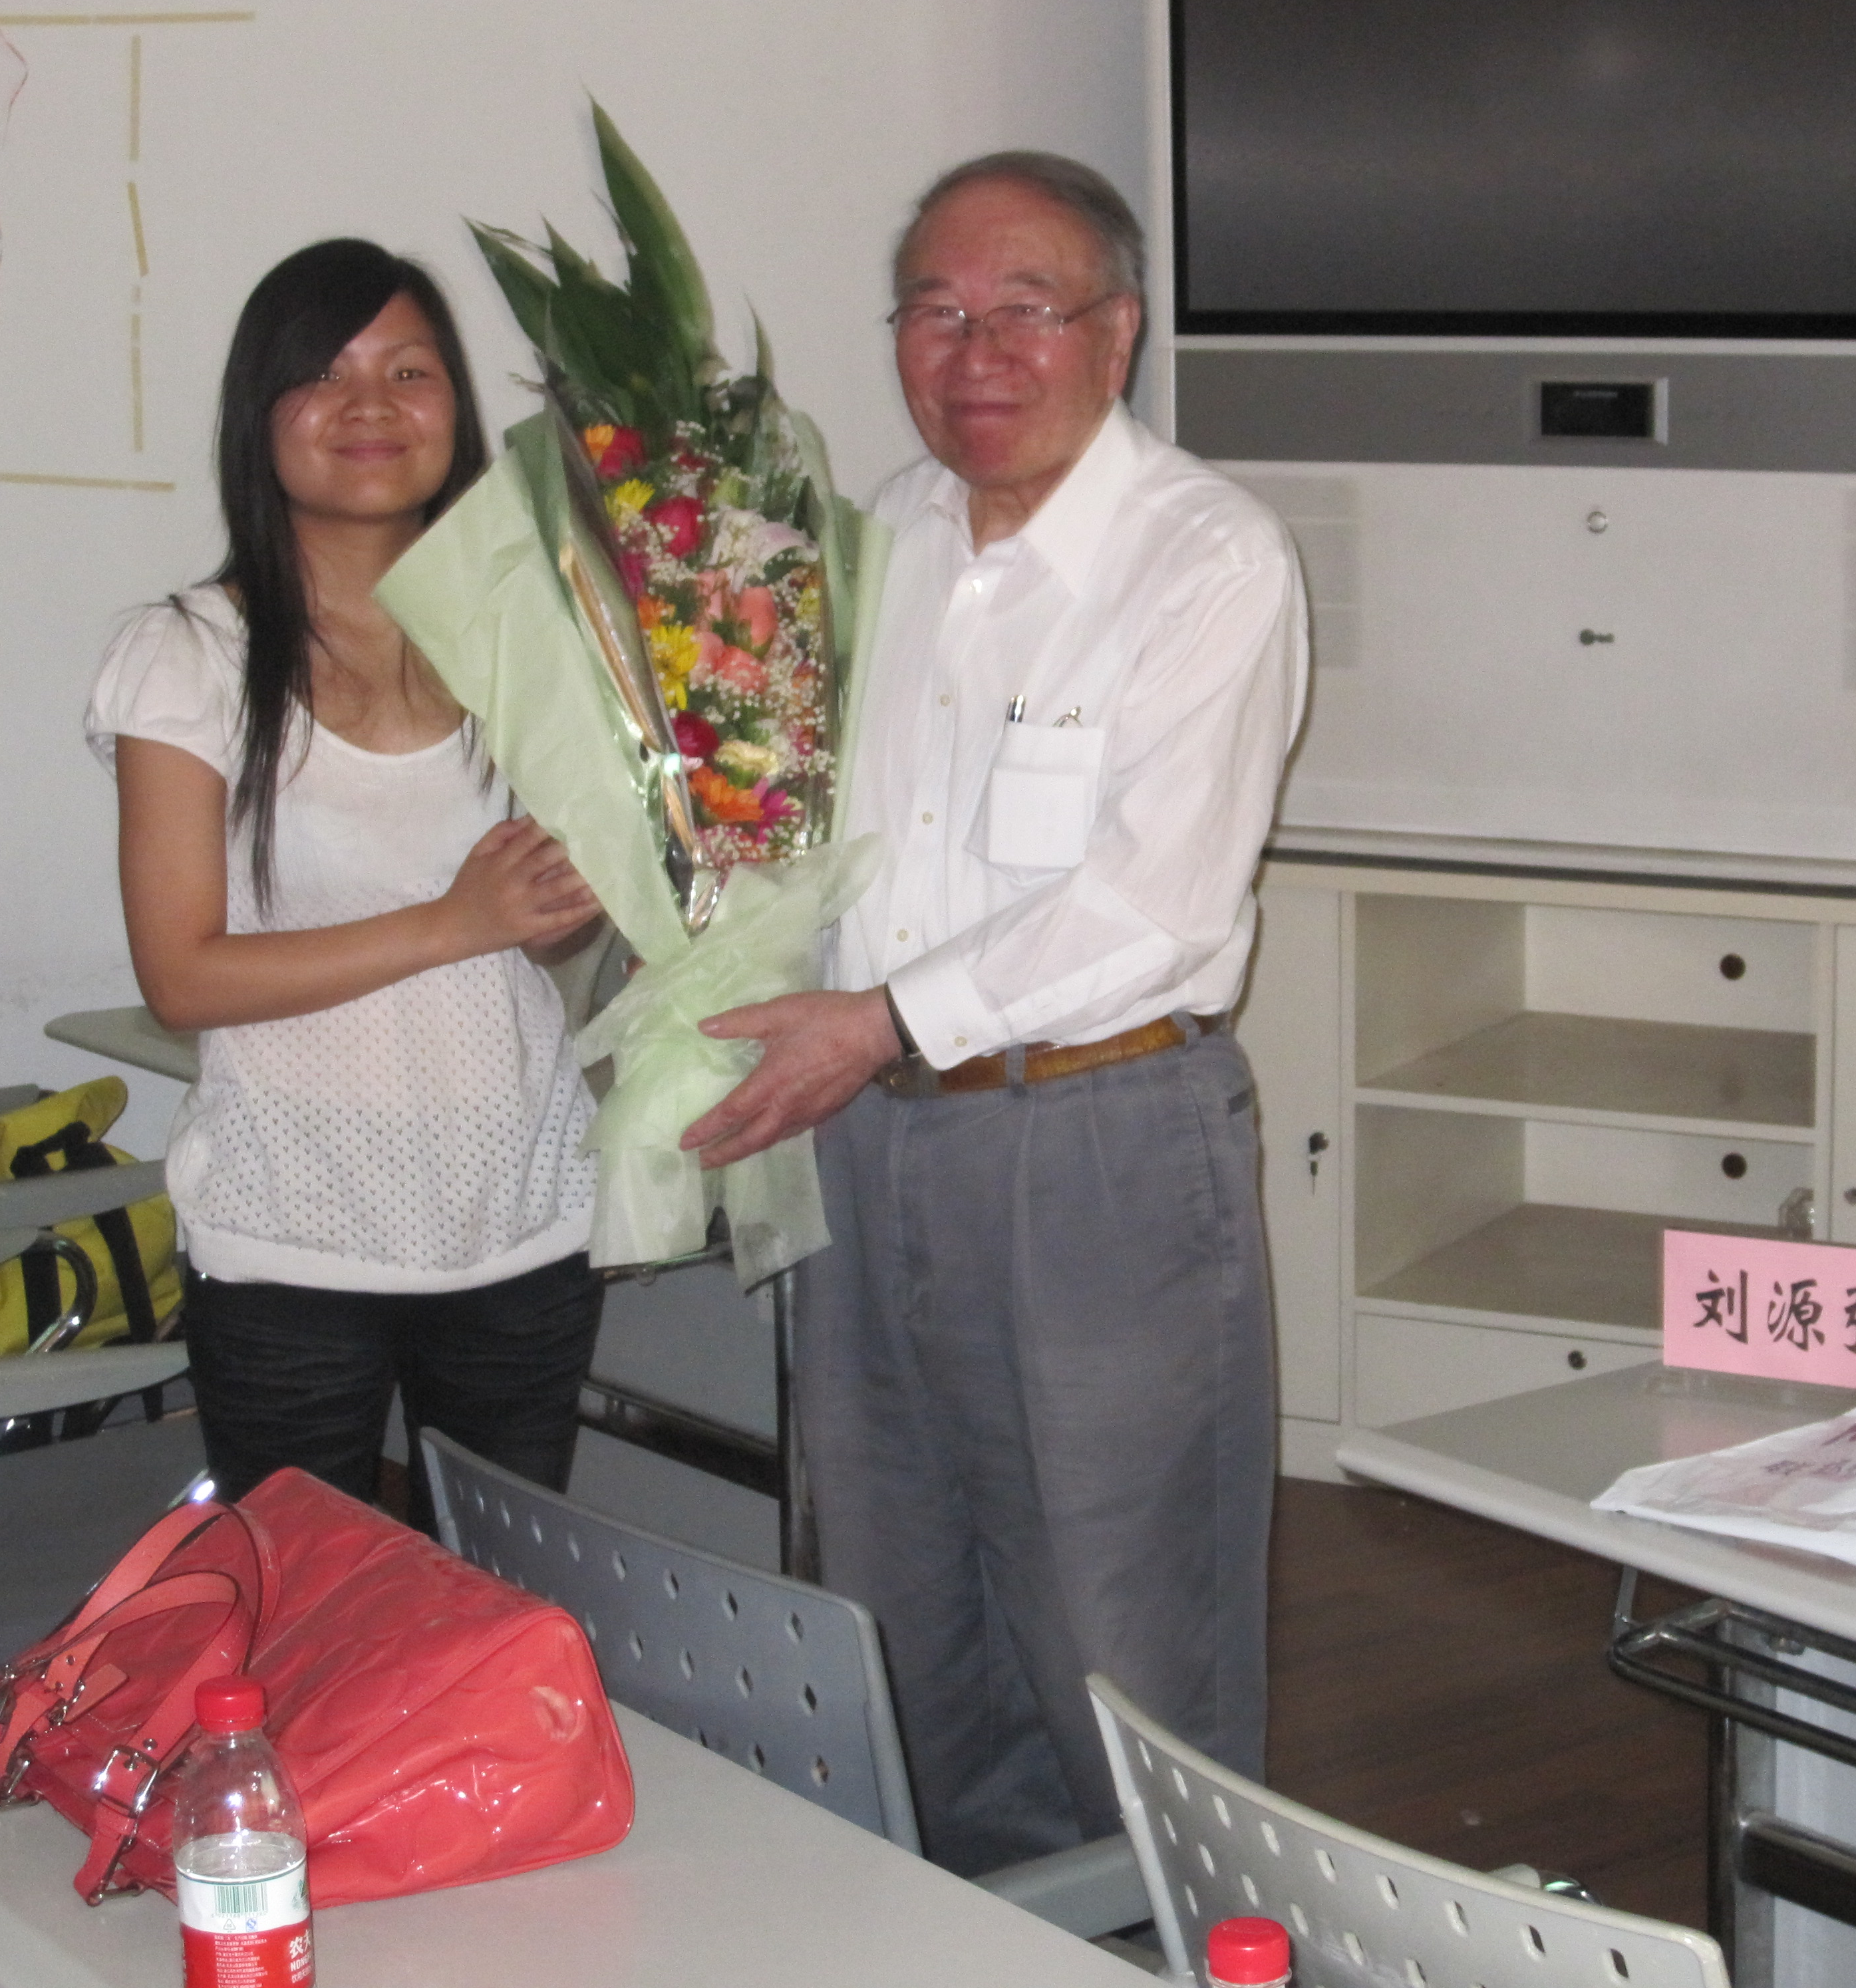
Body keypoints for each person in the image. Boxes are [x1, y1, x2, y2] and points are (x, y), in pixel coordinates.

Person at [681, 154, 1309, 1872]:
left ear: (1117, 332)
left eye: (1024, 309)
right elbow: (798, 823)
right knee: (899, 1601)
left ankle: (1187, 1941)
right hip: (867, 1137)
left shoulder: (1206, 556)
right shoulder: (873, 535)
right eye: (936, 312)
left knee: (1125, 1614)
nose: (976, 352)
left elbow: (1156, 899)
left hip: (1095, 1143)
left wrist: (877, 1023)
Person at [87, 238, 607, 1530]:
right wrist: (452, 924)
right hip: (290, 1235)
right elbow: (182, 977)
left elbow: (542, 934)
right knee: (308, 1610)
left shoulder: (535, 633)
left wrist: (610, 885)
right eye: (324, 374)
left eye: (409, 372)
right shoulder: (189, 656)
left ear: (456, 411)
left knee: (495, 1602)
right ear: (258, 415)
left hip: (522, 1216)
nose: (371, 405)